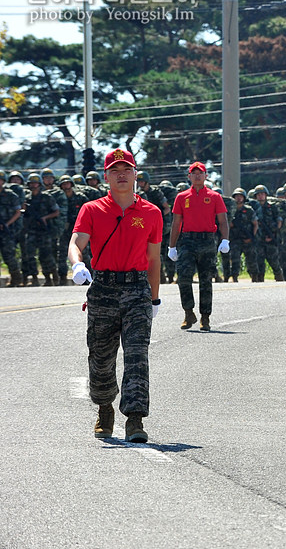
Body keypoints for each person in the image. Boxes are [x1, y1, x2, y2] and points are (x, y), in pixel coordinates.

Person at [67, 148, 163, 443]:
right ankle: (104, 407)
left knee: (137, 355)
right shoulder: (92, 209)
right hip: (104, 289)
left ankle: (135, 419)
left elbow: (154, 259)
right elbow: (76, 242)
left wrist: (154, 298)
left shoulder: (151, 212)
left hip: (136, 290)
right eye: (114, 170)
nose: (121, 175)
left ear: (136, 174)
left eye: (127, 170)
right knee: (101, 356)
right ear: (106, 177)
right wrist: (78, 264)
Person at [167, 162, 230, 331]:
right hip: (187, 240)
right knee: (184, 277)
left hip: (207, 240)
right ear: (189, 177)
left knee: (206, 280)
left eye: (200, 173)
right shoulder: (182, 197)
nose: (197, 176)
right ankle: (188, 312)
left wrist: (225, 240)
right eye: (193, 173)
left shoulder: (214, 196)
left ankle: (205, 317)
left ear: (205, 176)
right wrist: (172, 246)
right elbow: (176, 223)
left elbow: (223, 221)